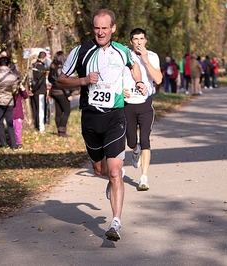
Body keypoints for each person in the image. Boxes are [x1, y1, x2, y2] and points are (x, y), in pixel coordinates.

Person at [56, 9, 146, 242]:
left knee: (115, 171)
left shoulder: (123, 51)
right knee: (100, 169)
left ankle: (115, 222)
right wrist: (84, 80)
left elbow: (134, 65)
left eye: (105, 28)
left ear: (113, 29)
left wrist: (138, 82)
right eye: (97, 27)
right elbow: (60, 79)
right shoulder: (81, 51)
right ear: (92, 28)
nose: (100, 32)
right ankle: (110, 177)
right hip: (90, 118)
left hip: (115, 116)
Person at [123, 27, 162, 192]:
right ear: (131, 41)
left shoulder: (152, 56)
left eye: (141, 39)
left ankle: (144, 178)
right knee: (131, 140)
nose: (139, 42)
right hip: (128, 103)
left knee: (145, 139)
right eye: (135, 39)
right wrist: (120, 90)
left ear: (146, 40)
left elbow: (158, 79)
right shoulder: (124, 55)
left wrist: (145, 60)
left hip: (146, 104)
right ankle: (135, 149)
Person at [0, 56, 20, 150]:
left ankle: (3, 143)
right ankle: (13, 144)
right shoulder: (13, 76)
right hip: (8, 101)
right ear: (8, 64)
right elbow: (15, 90)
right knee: (10, 123)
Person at [48, 51, 73, 137]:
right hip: (61, 92)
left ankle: (59, 130)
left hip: (54, 91)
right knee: (66, 111)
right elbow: (63, 84)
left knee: (58, 112)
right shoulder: (61, 69)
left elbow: (50, 80)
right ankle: (62, 131)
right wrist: (68, 94)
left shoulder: (52, 68)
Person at [31, 51, 48, 132]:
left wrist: (32, 90)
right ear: (44, 58)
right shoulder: (41, 67)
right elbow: (40, 81)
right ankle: (41, 128)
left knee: (35, 109)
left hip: (34, 91)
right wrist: (35, 89)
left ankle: (36, 125)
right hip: (40, 90)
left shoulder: (33, 65)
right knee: (41, 110)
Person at [13, 80, 29, 150]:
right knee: (13, 128)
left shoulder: (19, 90)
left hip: (18, 113)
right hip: (11, 112)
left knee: (18, 129)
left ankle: (18, 142)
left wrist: (23, 89)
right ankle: (14, 142)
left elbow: (25, 96)